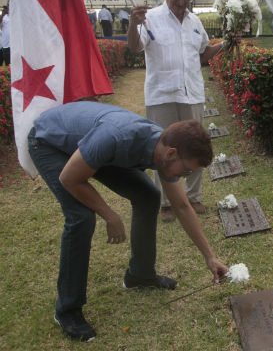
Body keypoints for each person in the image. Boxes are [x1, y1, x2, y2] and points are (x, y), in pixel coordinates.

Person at [28, 101, 228, 342]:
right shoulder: (116, 137)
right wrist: (109, 214)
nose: (184, 177)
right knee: (81, 217)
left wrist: (210, 256)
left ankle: (139, 276)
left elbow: (182, 206)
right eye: (186, 171)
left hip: (91, 148)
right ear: (171, 153)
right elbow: (70, 179)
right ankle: (67, 310)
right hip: (51, 143)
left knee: (148, 195)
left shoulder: (163, 149)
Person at [127, 0, 225, 222]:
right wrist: (132, 24)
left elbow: (203, 53)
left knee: (196, 147)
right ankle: (166, 202)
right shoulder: (150, 18)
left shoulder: (195, 22)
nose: (182, 2)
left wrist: (225, 44)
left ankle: (193, 198)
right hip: (161, 95)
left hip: (192, 93)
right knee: (163, 149)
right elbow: (135, 47)